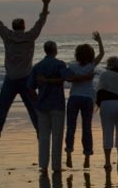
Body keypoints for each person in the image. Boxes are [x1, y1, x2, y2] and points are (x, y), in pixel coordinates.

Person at [0, 0, 52, 152]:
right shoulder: (30, 36)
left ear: (13, 27)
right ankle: (40, 136)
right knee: (33, 110)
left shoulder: (7, 35)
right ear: (23, 27)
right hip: (26, 79)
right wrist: (45, 5)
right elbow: (41, 21)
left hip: (10, 79)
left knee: (2, 110)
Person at [64, 32, 105, 168]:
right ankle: (87, 156)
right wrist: (99, 41)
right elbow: (102, 54)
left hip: (74, 97)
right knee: (86, 128)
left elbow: (68, 79)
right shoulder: (91, 65)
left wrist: (80, 78)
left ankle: (69, 154)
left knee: (71, 127)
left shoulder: (72, 66)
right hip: (87, 98)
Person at [29, 41, 71, 173]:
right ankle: (56, 166)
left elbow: (30, 87)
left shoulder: (37, 66)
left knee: (44, 136)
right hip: (57, 103)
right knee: (57, 137)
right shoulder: (59, 64)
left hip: (42, 104)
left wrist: (37, 101)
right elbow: (66, 77)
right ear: (55, 50)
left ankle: (43, 165)